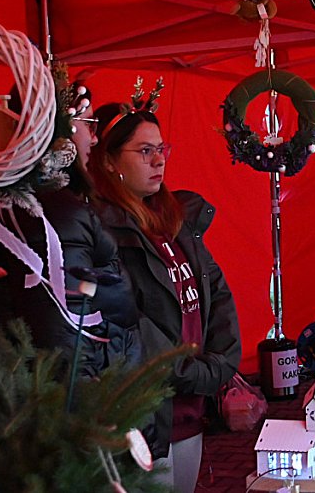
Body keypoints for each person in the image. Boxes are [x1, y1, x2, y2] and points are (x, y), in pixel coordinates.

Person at [88, 97, 241, 493]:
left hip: (190, 409)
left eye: (161, 149)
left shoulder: (176, 219)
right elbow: (129, 321)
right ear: (108, 161)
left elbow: (215, 290)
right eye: (144, 151)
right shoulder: (104, 233)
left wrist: (222, 360)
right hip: (149, 414)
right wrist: (192, 373)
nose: (159, 161)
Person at [0, 80, 138, 376]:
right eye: (89, 124)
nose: (94, 139)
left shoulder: (60, 206)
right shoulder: (55, 212)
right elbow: (72, 316)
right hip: (81, 397)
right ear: (60, 128)